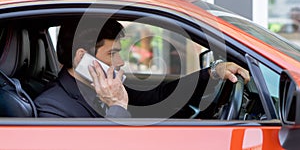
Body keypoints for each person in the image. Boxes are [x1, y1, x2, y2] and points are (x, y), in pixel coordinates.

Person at [34, 20, 250, 118]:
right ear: (82, 57)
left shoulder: (102, 86)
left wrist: (212, 72)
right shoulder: (53, 109)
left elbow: (157, 95)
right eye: (112, 53)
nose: (120, 62)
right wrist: (117, 105)